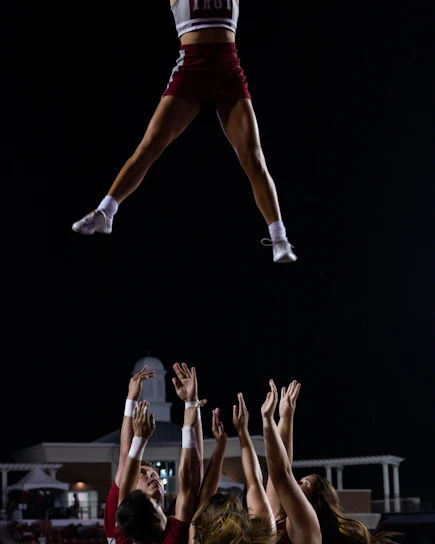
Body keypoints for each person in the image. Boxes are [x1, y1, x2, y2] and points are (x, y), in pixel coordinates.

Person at [71, 1, 297, 264]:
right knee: (148, 147)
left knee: (253, 158)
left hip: (228, 74)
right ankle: (104, 213)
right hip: (191, 71)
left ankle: (279, 238)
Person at [261, 379, 401, 544]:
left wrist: (269, 420)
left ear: (315, 502)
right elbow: (278, 471)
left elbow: (282, 473)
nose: (296, 482)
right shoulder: (280, 518)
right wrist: (285, 417)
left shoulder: (306, 526)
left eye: (304, 483)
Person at [115, 396, 206, 544]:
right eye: (142, 473)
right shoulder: (173, 536)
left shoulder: (125, 533)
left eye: (155, 473)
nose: (152, 474)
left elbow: (124, 493)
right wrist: (189, 424)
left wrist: (139, 439)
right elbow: (190, 483)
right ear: (155, 517)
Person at [193, 392, 276, 544]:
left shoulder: (197, 538)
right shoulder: (259, 538)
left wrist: (220, 446)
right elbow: (255, 483)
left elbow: (205, 495)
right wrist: (243, 431)